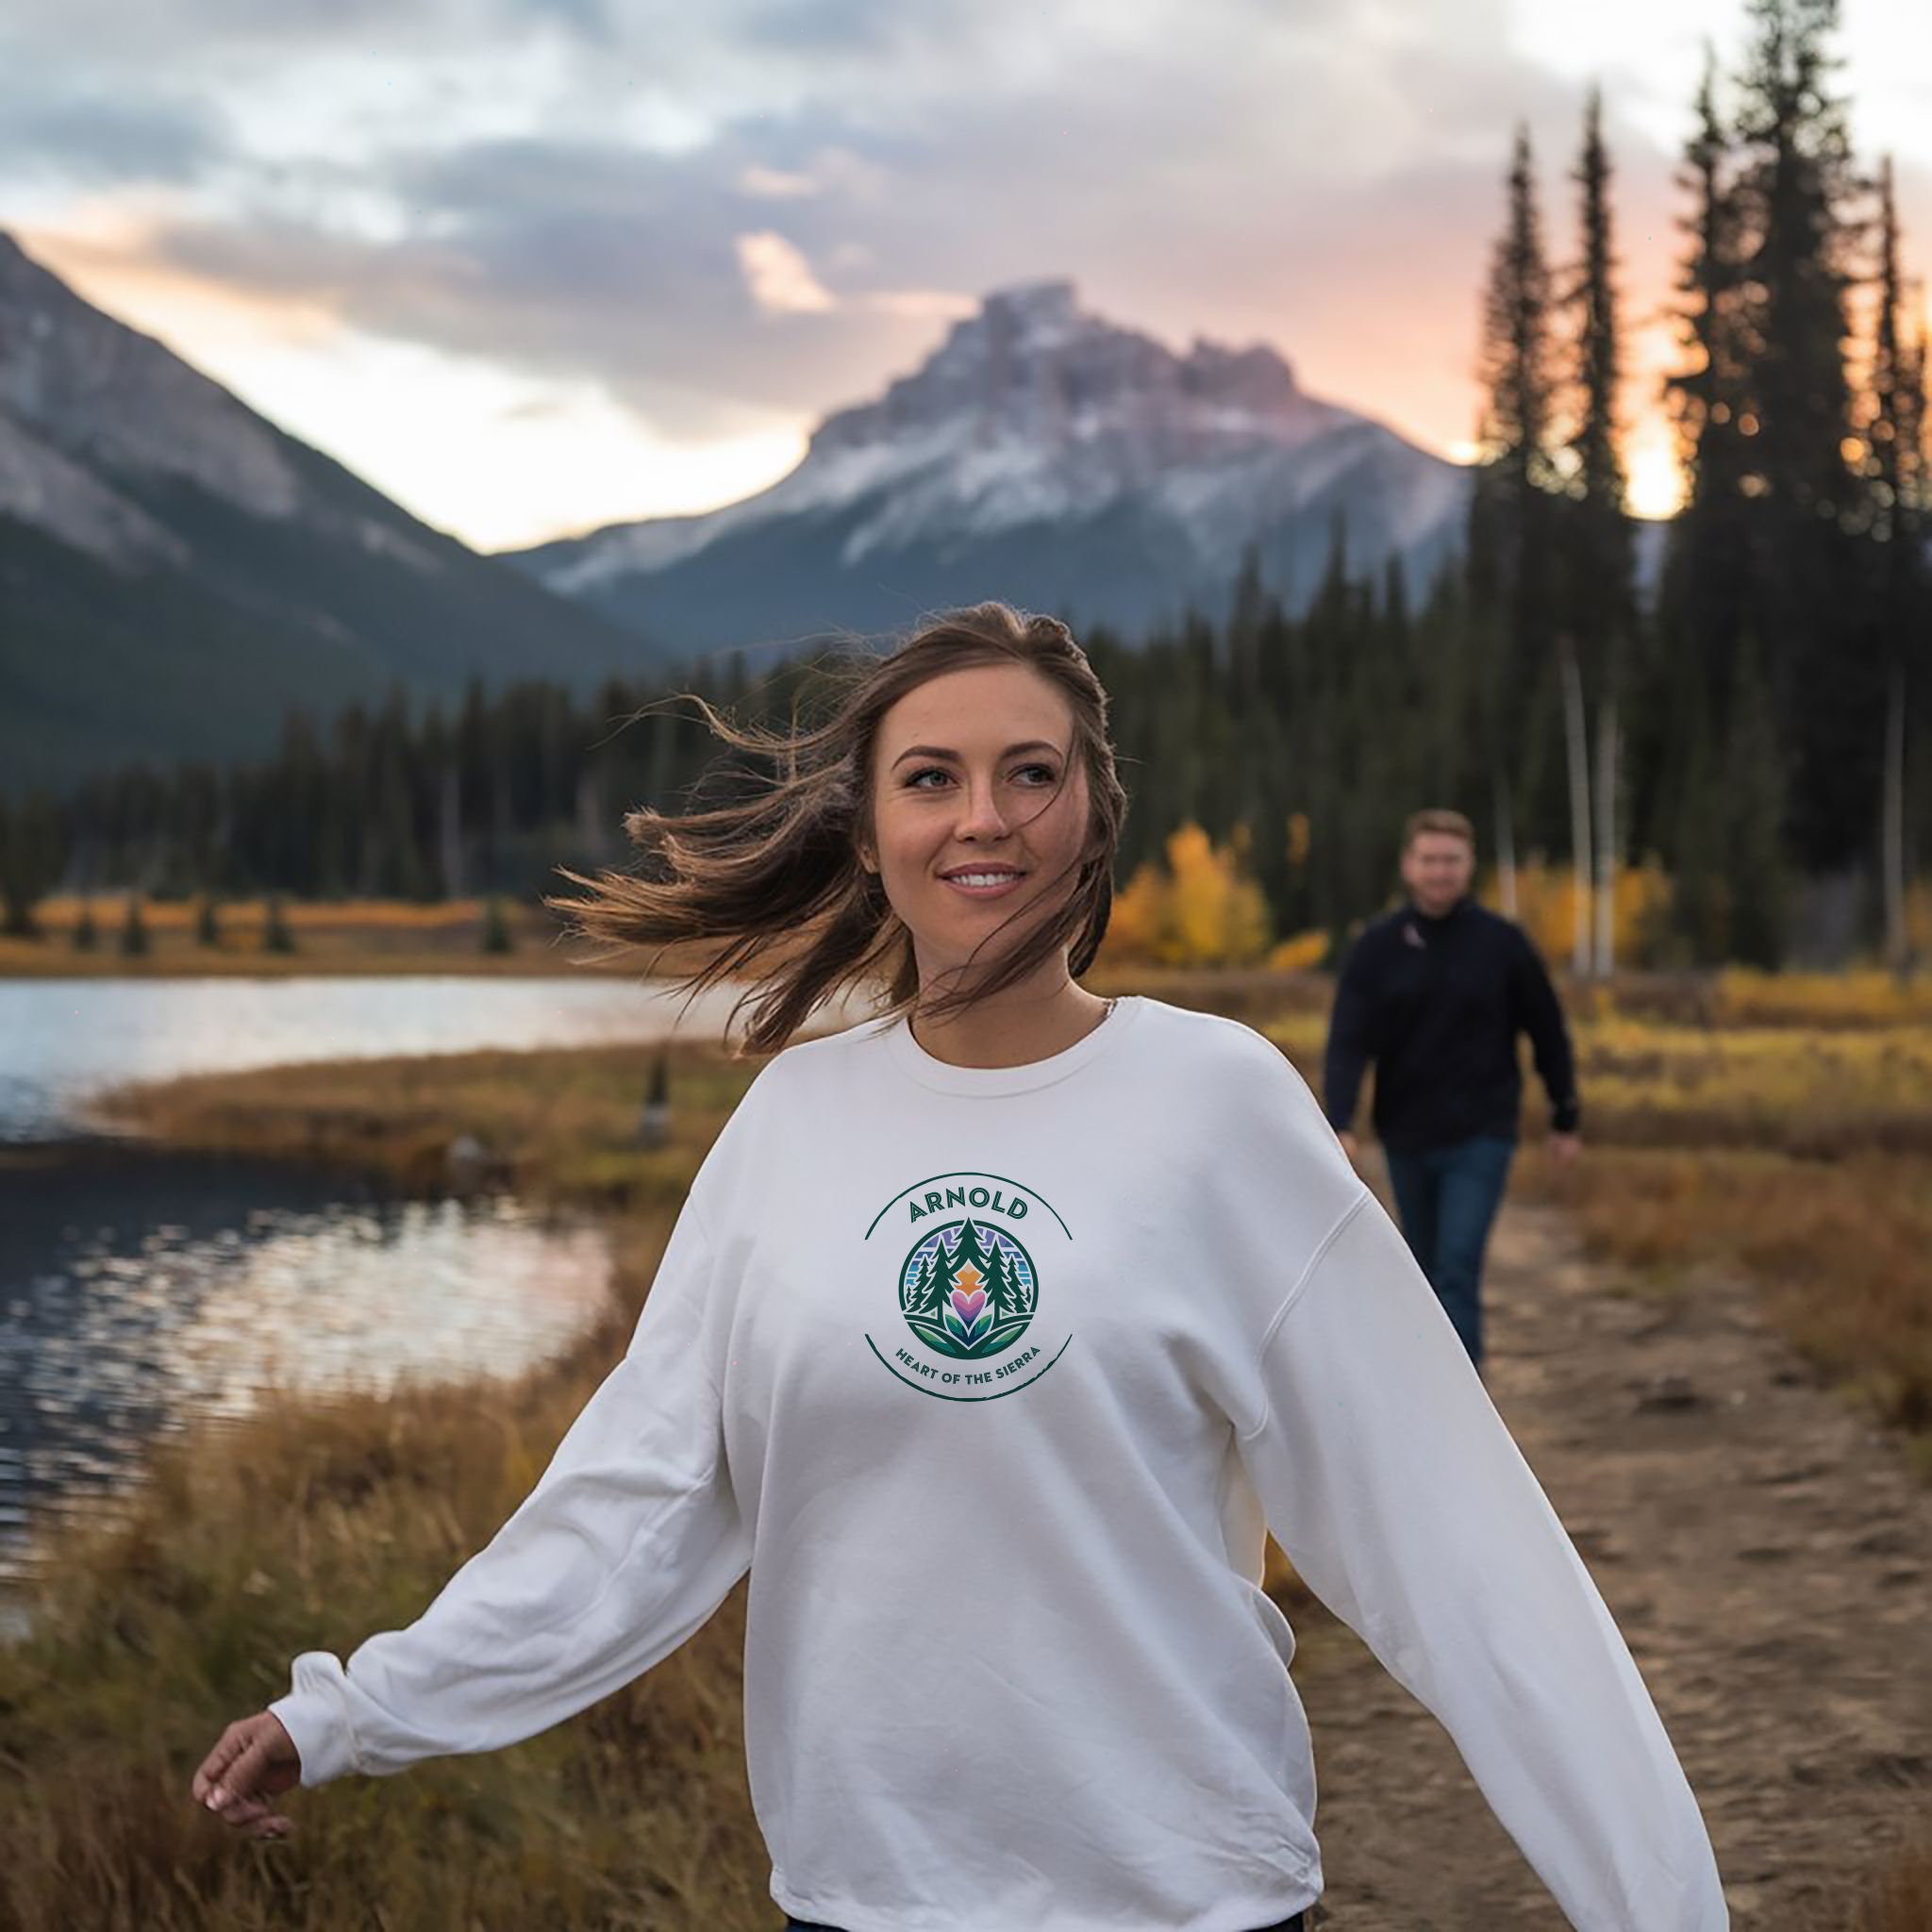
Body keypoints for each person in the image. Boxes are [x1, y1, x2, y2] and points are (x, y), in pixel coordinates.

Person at [193, 608, 1724, 1930]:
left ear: (1091, 823)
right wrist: (351, 1708)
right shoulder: (795, 1116)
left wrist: (1656, 1899)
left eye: (1028, 773)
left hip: (1180, 1886)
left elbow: (1449, 1527)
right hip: (865, 1891)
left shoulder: (1217, 1105)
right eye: (931, 777)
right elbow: (639, 1491)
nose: (979, 816)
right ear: (871, 831)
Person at [1324, 809, 1582, 1370]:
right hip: (1407, 1134)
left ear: (1469, 867)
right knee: (1421, 1273)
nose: (1441, 871)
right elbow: (1349, 1040)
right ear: (1409, 867)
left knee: (1457, 1265)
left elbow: (1548, 1034)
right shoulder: (1378, 948)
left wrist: (1566, 1117)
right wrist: (1340, 1121)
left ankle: (1468, 1419)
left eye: (1452, 860)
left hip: (1481, 1133)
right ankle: (1428, 1398)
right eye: (1430, 860)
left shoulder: (1503, 945)